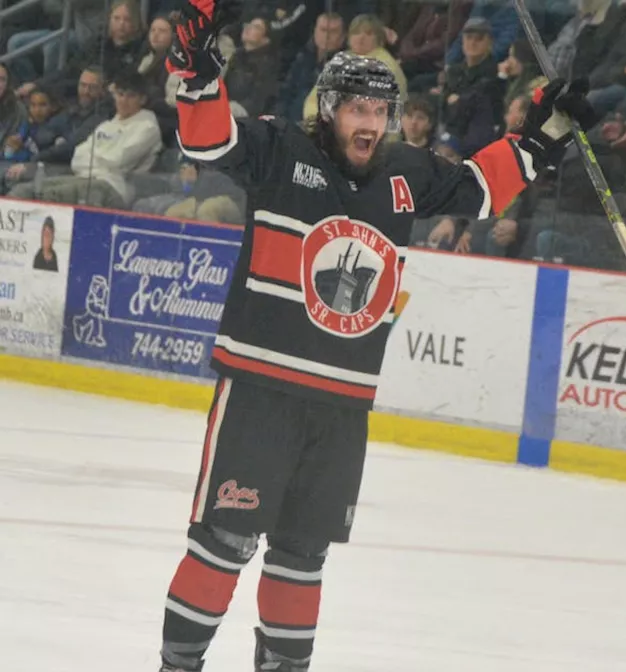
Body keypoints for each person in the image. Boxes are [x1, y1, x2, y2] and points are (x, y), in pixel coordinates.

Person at [156, 0, 596, 669]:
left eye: (381, 111)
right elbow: (209, 139)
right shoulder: (279, 148)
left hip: (342, 410)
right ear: (328, 108)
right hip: (260, 396)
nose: (371, 124)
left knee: (305, 554)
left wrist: (545, 131)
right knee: (223, 538)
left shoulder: (405, 172)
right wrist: (197, 73)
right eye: (358, 109)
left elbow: (479, 190)